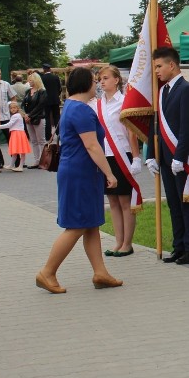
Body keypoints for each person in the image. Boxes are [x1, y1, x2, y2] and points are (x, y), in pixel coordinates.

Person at [35, 66, 123, 294]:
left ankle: (100, 273)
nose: (97, 84)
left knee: (91, 223)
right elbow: (92, 145)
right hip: (80, 174)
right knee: (76, 226)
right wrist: (109, 173)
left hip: (80, 173)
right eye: (95, 81)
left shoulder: (72, 107)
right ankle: (47, 272)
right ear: (86, 84)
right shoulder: (81, 110)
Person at [145, 46, 189, 265]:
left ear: (172, 65)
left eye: (159, 66)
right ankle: (179, 245)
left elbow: (187, 128)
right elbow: (157, 126)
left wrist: (180, 157)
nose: (157, 71)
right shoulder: (163, 91)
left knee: (186, 203)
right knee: (173, 203)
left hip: (181, 159)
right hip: (165, 158)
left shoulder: (186, 89)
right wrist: (152, 154)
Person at [93, 65, 142, 258]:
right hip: (105, 156)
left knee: (124, 200)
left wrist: (137, 157)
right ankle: (118, 241)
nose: (102, 82)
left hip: (123, 155)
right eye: (100, 79)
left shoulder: (124, 102)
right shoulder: (97, 104)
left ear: (116, 80)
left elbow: (132, 132)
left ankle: (127, 243)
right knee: (112, 200)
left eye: (105, 78)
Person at [0, 67, 16, 168]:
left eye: (0, 74)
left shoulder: (6, 84)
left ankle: (16, 160)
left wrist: (12, 108)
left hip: (6, 116)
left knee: (11, 139)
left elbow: (13, 97)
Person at [22, 72, 47, 168]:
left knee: (41, 140)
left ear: (36, 80)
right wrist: (25, 114)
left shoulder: (42, 91)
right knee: (33, 140)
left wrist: (30, 115)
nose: (29, 82)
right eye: (28, 80)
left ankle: (43, 160)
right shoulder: (28, 91)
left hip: (38, 117)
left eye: (31, 80)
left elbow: (41, 105)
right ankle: (37, 160)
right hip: (29, 117)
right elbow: (24, 104)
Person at [0, 102, 31, 172]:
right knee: (15, 151)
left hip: (17, 134)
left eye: (14, 108)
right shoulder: (17, 115)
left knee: (20, 151)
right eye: (11, 108)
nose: (12, 109)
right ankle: (12, 165)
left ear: (17, 108)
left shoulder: (16, 116)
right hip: (16, 134)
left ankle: (20, 166)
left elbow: (9, 124)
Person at [40, 63, 62, 141]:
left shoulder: (42, 78)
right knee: (57, 117)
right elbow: (60, 88)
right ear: (50, 69)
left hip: (46, 101)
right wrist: (56, 95)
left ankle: (48, 136)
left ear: (44, 69)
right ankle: (59, 133)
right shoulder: (56, 77)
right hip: (55, 100)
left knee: (47, 118)